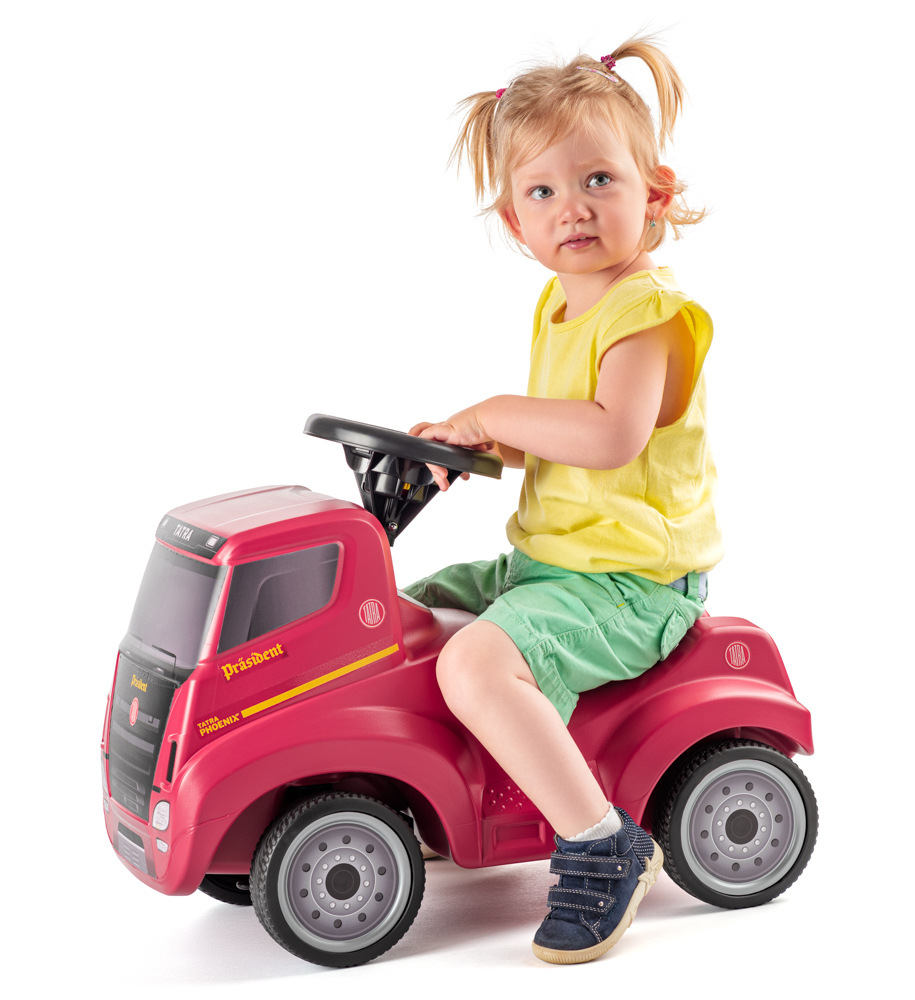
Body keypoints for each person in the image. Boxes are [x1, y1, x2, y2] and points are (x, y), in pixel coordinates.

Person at [405, 36, 724, 964]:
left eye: (597, 180)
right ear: (515, 220)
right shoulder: (563, 301)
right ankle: (444, 788)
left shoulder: (645, 312)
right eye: (542, 191)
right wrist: (474, 442)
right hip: (552, 563)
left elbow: (610, 435)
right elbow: (564, 436)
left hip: (630, 585)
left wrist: (494, 411)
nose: (571, 207)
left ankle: (601, 842)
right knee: (407, 617)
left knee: (474, 663)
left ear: (652, 192)